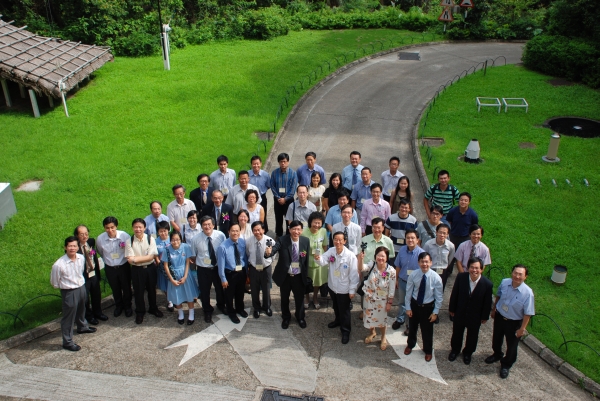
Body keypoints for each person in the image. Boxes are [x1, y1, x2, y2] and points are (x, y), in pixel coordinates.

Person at [486, 264, 534, 379]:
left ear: (525, 277)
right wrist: (494, 310)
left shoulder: (528, 293)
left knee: (512, 346)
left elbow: (528, 313)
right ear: (512, 273)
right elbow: (498, 296)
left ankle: (506, 364)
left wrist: (522, 329)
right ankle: (497, 354)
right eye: (515, 273)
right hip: (500, 316)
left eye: (520, 274)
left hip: (514, 322)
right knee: (496, 338)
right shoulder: (504, 282)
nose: (517, 276)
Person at [51, 236, 96, 351]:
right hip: (69, 291)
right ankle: (67, 341)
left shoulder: (81, 258)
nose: (72, 248)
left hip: (81, 287)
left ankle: (82, 327)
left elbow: (81, 272)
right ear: (65, 247)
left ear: (77, 247)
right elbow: (54, 282)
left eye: (74, 246)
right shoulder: (59, 264)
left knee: (82, 309)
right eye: (70, 246)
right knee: (69, 317)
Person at [314, 232, 359, 344]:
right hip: (333, 287)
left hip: (344, 289)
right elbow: (323, 261)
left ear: (344, 241)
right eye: (335, 239)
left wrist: (352, 290)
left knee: (344, 311)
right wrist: (318, 258)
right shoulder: (331, 251)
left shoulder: (350, 256)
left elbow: (354, 275)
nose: (337, 242)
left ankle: (345, 331)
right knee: (336, 306)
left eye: (340, 240)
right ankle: (337, 321)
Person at [265, 220, 310, 329]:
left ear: (302, 230)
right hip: (286, 276)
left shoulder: (305, 241)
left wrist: (306, 276)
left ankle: (300, 317)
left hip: (299, 276)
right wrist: (268, 252)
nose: (296, 231)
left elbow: (306, 260)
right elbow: (273, 250)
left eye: (298, 229)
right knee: (284, 298)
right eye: (293, 229)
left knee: (299, 298)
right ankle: (286, 317)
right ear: (289, 229)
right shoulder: (283, 240)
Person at [448, 257, 493, 365]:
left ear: (481, 269)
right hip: (460, 312)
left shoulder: (487, 284)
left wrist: (484, 316)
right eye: (472, 267)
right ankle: (455, 350)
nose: (474, 270)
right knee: (457, 333)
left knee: (472, 336)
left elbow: (487, 302)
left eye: (477, 268)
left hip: (475, 316)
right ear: (468, 268)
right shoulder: (461, 277)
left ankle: (468, 353)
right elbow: (455, 293)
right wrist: (452, 309)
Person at [403, 252, 443, 362]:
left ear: (431, 262)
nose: (424, 264)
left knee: (427, 330)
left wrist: (435, 312)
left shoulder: (436, 278)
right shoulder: (413, 275)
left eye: (426, 261)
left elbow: (439, 297)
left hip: (428, 307)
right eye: (422, 262)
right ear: (418, 263)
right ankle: (410, 345)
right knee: (412, 328)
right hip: (415, 305)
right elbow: (408, 292)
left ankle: (428, 350)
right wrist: (408, 307)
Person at [124, 218, 162, 324]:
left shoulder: (150, 239)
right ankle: (140, 312)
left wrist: (135, 259)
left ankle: (153, 308)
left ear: (144, 228)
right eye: (135, 227)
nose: (138, 229)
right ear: (132, 228)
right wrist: (136, 259)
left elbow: (150, 257)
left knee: (152, 290)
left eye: (140, 227)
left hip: (150, 268)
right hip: (137, 270)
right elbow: (129, 260)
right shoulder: (129, 241)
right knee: (138, 292)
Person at [189, 215, 227, 323]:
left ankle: (221, 305)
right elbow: (193, 256)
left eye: (209, 224)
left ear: (213, 225)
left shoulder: (220, 235)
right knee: (205, 291)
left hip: (217, 268)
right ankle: (207, 310)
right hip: (203, 269)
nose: (207, 227)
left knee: (220, 289)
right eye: (204, 225)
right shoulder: (195, 239)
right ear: (201, 226)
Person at [96, 216, 132, 318]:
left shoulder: (124, 236)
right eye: (107, 228)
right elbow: (100, 252)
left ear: (116, 226)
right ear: (104, 228)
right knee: (115, 288)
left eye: (112, 227)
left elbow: (129, 249)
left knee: (126, 288)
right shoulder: (100, 239)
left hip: (123, 266)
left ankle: (128, 306)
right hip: (110, 268)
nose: (110, 230)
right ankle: (118, 306)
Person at [361, 246, 396, 350]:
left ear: (387, 257)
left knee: (381, 319)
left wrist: (390, 302)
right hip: (369, 298)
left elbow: (392, 288)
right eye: (378, 255)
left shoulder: (391, 271)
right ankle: (372, 333)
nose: (380, 258)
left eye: (383, 256)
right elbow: (362, 268)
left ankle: (383, 336)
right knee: (370, 317)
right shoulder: (372, 265)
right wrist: (360, 258)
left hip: (382, 300)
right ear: (375, 256)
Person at [161, 231, 198, 325]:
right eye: (173, 239)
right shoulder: (167, 250)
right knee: (177, 295)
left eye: (177, 239)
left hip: (185, 274)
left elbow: (187, 262)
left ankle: (191, 314)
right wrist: (172, 279)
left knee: (189, 295)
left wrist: (185, 276)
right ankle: (180, 314)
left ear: (181, 239)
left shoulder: (185, 247)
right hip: (174, 275)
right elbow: (165, 266)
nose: (175, 241)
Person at [74, 225, 107, 326]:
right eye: (82, 234)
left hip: (93, 273)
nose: (85, 236)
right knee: (85, 297)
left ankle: (98, 312)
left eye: (86, 233)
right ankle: (89, 316)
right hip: (83, 276)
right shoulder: (75, 247)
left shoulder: (91, 242)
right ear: (77, 235)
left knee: (96, 294)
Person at [392, 229, 424, 332]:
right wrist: (396, 279)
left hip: (415, 284)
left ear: (417, 240)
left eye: (412, 238)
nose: (410, 240)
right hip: (402, 281)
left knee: (413, 304)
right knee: (401, 302)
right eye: (408, 238)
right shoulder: (402, 250)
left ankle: (410, 324)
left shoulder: (422, 253)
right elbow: (398, 266)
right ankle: (400, 319)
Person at [217, 223, 248, 324]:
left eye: (237, 231)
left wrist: (246, 272)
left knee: (240, 293)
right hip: (230, 273)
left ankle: (240, 309)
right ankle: (231, 312)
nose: (235, 233)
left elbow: (245, 258)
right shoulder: (223, 246)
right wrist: (223, 278)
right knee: (229, 295)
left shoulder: (243, 242)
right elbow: (221, 264)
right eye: (233, 231)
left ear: (240, 232)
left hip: (241, 272)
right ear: (228, 232)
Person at [245, 221, 274, 318]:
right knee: (254, 289)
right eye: (255, 230)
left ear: (263, 230)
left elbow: (274, 254)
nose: (257, 232)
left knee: (266, 289)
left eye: (259, 230)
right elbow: (248, 253)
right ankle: (256, 308)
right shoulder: (249, 241)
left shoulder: (269, 240)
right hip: (253, 268)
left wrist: (269, 261)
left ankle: (267, 307)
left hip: (266, 268)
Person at [301, 212, 328, 309]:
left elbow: (325, 246)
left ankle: (315, 297)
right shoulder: (304, 232)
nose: (317, 225)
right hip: (307, 261)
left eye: (319, 223)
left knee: (317, 281)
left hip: (319, 261)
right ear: (310, 222)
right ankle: (307, 297)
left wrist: (325, 258)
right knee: (307, 281)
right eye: (315, 223)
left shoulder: (323, 231)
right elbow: (301, 248)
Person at [270, 153, 298, 238]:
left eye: (285, 161)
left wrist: (285, 199)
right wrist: (278, 198)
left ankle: (288, 235)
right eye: (281, 161)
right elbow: (272, 186)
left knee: (289, 218)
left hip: (289, 200)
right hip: (277, 200)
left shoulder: (293, 173)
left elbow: (293, 189)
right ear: (278, 162)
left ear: (288, 162)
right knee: (278, 219)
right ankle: (278, 235)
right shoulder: (274, 173)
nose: (283, 163)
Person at [423, 223, 455, 291]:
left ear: (447, 234)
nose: (442, 235)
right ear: (436, 232)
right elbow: (424, 257)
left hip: (443, 271)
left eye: (444, 233)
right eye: (440, 232)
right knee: (428, 290)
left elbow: (450, 259)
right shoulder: (428, 244)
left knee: (440, 291)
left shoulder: (451, 246)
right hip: (430, 270)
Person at [154, 221, 173, 312]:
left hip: (173, 266)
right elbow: (154, 254)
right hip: (162, 267)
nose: (163, 233)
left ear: (168, 230)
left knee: (173, 282)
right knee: (165, 284)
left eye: (165, 231)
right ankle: (169, 300)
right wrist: (158, 261)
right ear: (158, 232)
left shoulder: (173, 239)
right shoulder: (155, 241)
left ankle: (176, 298)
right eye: (161, 231)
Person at [249, 155, 271, 232]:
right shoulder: (248, 174)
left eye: (257, 163)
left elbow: (268, 186)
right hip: (250, 198)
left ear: (261, 164)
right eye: (254, 164)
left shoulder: (265, 175)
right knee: (251, 214)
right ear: (251, 164)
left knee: (262, 215)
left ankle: (263, 230)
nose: (256, 165)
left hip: (262, 197)